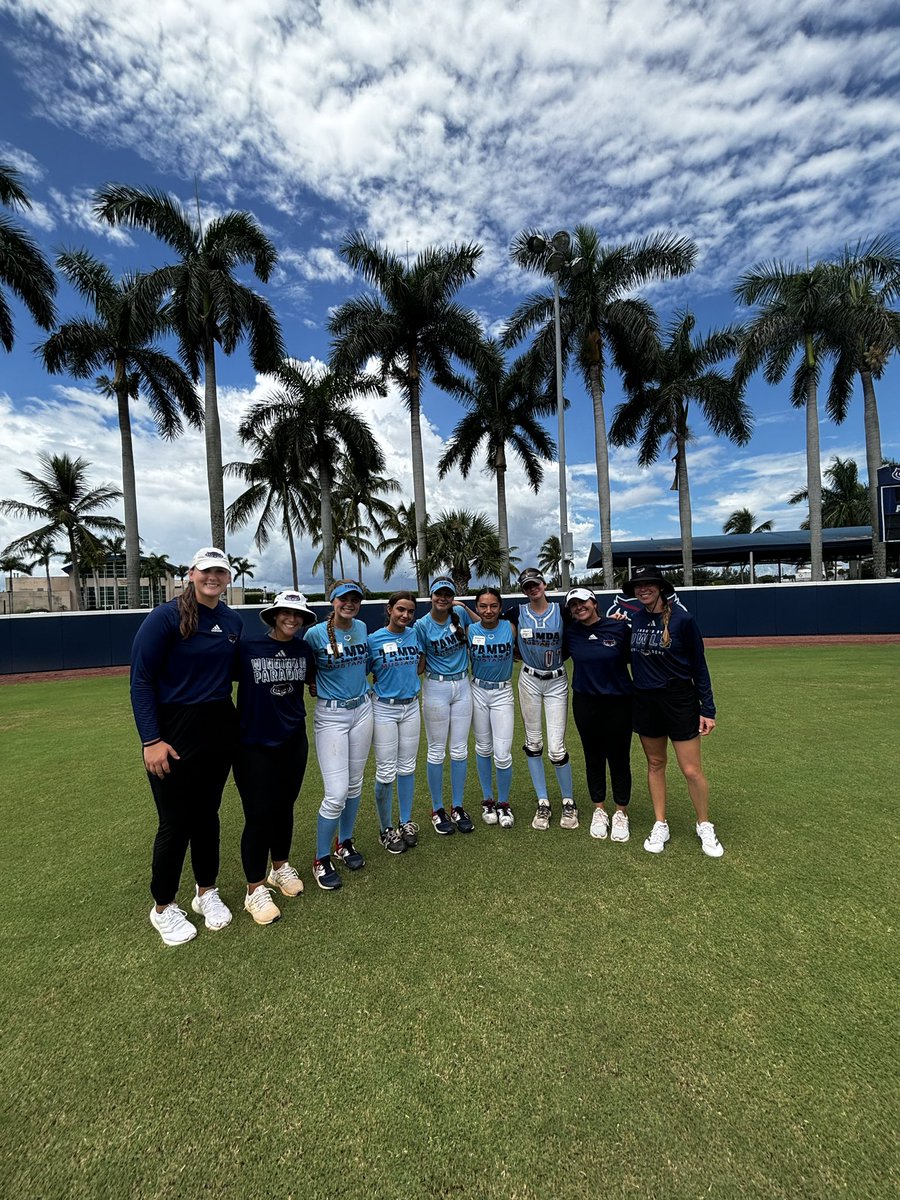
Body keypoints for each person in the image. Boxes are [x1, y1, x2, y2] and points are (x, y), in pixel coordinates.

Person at [130, 547, 241, 946]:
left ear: (227, 578)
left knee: (207, 815)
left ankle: (206, 892)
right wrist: (151, 740)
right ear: (192, 573)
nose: (213, 577)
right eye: (206, 571)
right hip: (172, 733)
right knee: (175, 821)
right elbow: (141, 681)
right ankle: (163, 907)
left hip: (218, 727)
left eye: (221, 572)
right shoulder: (164, 618)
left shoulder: (231, 621)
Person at [622, 564, 724, 858]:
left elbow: (699, 666)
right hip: (645, 699)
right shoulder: (635, 620)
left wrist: (708, 709)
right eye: (638, 586)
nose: (643, 589)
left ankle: (704, 824)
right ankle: (660, 823)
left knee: (691, 769)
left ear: (661, 587)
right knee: (655, 764)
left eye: (649, 584)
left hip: (679, 699)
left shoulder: (683, 620)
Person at [233, 590, 317, 924]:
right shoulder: (247, 648)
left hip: (293, 740)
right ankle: (254, 890)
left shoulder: (303, 650)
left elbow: (312, 681)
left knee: (284, 807)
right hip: (253, 744)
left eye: (298, 615)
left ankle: (279, 868)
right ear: (273, 615)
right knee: (258, 815)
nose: (292, 620)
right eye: (286, 613)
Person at [303, 580, 374, 888]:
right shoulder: (314, 634)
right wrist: (311, 683)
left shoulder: (361, 627)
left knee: (355, 784)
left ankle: (344, 842)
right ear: (332, 601)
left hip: (363, 709)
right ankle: (320, 858)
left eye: (354, 599)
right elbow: (304, 668)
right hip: (332, 715)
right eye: (343, 598)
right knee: (336, 792)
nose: (350, 603)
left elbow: (367, 664)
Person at [506, 568, 577, 832]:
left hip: (557, 679)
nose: (532, 589)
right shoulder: (516, 613)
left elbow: (587, 623)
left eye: (535, 584)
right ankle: (543, 802)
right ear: (523, 590)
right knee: (533, 742)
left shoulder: (562, 610)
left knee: (557, 748)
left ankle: (568, 801)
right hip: (529, 679)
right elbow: (492, 628)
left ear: (544, 584)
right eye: (527, 586)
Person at [563, 586, 633, 842]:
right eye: (573, 605)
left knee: (619, 757)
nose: (579, 607)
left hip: (619, 702)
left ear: (594, 602)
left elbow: (632, 659)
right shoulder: (570, 633)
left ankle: (621, 812)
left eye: (583, 602)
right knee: (593, 756)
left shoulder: (619, 628)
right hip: (586, 703)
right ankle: (599, 809)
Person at [414, 577, 475, 835]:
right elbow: (419, 661)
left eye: (448, 594)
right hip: (436, 687)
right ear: (431, 596)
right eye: (439, 594)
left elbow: (481, 623)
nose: (443, 598)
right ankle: (438, 808)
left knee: (460, 750)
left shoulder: (459, 613)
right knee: (437, 750)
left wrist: (460, 604)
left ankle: (457, 806)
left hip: (462, 685)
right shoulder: (421, 625)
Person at [368, 591, 422, 853]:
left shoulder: (415, 634)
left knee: (408, 767)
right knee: (386, 770)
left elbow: (420, 664)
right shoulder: (373, 640)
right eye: (400, 609)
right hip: (384, 709)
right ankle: (386, 828)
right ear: (389, 609)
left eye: (410, 611)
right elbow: (359, 669)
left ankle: (406, 821)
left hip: (411, 706)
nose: (405, 615)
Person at [467, 587, 516, 827]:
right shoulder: (469, 630)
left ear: (500, 607)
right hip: (477, 691)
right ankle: (487, 799)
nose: (488, 611)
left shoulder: (510, 627)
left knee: (503, 753)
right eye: (483, 606)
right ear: (477, 608)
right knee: (483, 748)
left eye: (493, 606)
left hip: (502, 692)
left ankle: (504, 804)